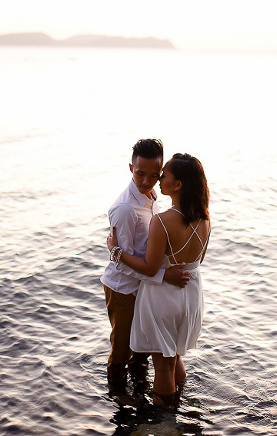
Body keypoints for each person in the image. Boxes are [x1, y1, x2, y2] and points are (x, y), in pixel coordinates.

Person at [107, 153, 210, 408]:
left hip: (164, 297)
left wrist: (116, 252)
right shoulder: (205, 218)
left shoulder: (162, 221)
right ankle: (181, 403)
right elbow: (199, 260)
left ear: (178, 185)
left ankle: (164, 421)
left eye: (164, 176)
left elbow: (150, 267)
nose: (158, 180)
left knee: (162, 365)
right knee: (174, 356)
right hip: (191, 294)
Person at [101, 139, 190, 394]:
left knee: (142, 347)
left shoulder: (152, 196)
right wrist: (164, 276)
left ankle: (140, 397)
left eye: (154, 175)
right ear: (131, 168)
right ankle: (118, 401)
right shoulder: (125, 209)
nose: (146, 181)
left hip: (145, 287)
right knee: (121, 349)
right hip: (123, 289)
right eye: (140, 174)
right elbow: (121, 262)